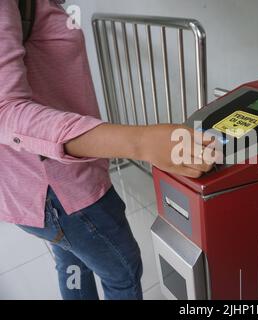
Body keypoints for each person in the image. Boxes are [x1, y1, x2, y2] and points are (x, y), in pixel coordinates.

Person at [0, 0, 215, 300]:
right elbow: (5, 111)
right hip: (63, 193)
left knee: (72, 262)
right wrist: (140, 143)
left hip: (34, 193)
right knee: (122, 275)